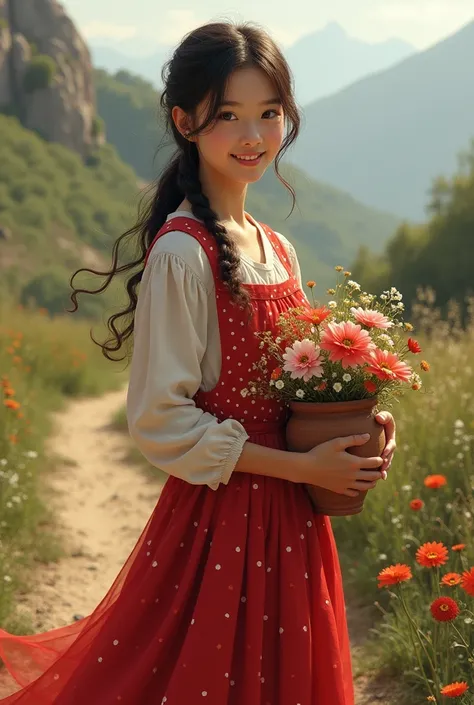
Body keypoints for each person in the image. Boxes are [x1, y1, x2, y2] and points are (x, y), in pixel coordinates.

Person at [0, 21, 396, 705]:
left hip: (296, 524)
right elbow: (160, 419)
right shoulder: (184, 253)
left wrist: (362, 425)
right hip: (222, 528)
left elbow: (296, 395)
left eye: (269, 113)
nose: (253, 136)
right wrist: (302, 466)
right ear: (185, 122)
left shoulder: (278, 247)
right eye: (228, 117)